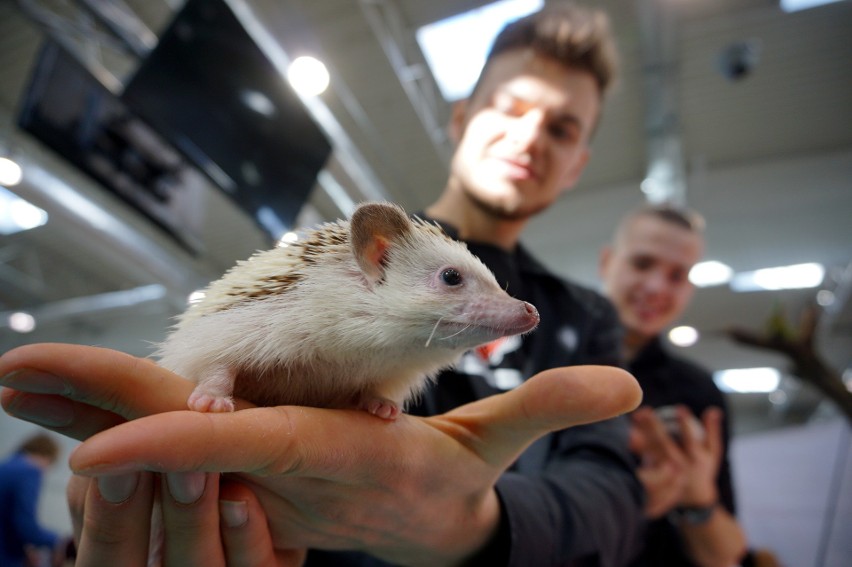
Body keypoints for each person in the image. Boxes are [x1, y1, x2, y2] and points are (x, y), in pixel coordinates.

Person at [0, 3, 645, 566]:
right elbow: (232, 344)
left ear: (580, 164)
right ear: (460, 115)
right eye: (512, 107)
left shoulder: (587, 318)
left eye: (562, 128)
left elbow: (613, 502)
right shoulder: (341, 267)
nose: (531, 136)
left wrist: (465, 526)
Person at [598, 205, 748, 567]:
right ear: (608, 263)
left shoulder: (698, 391)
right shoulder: (548, 359)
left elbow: (727, 554)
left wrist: (698, 498)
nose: (656, 287)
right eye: (642, 264)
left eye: (677, 276)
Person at [0, 432, 69, 567]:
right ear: (48, 456)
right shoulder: (30, 471)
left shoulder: (6, 466)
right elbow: (27, 528)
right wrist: (61, 542)